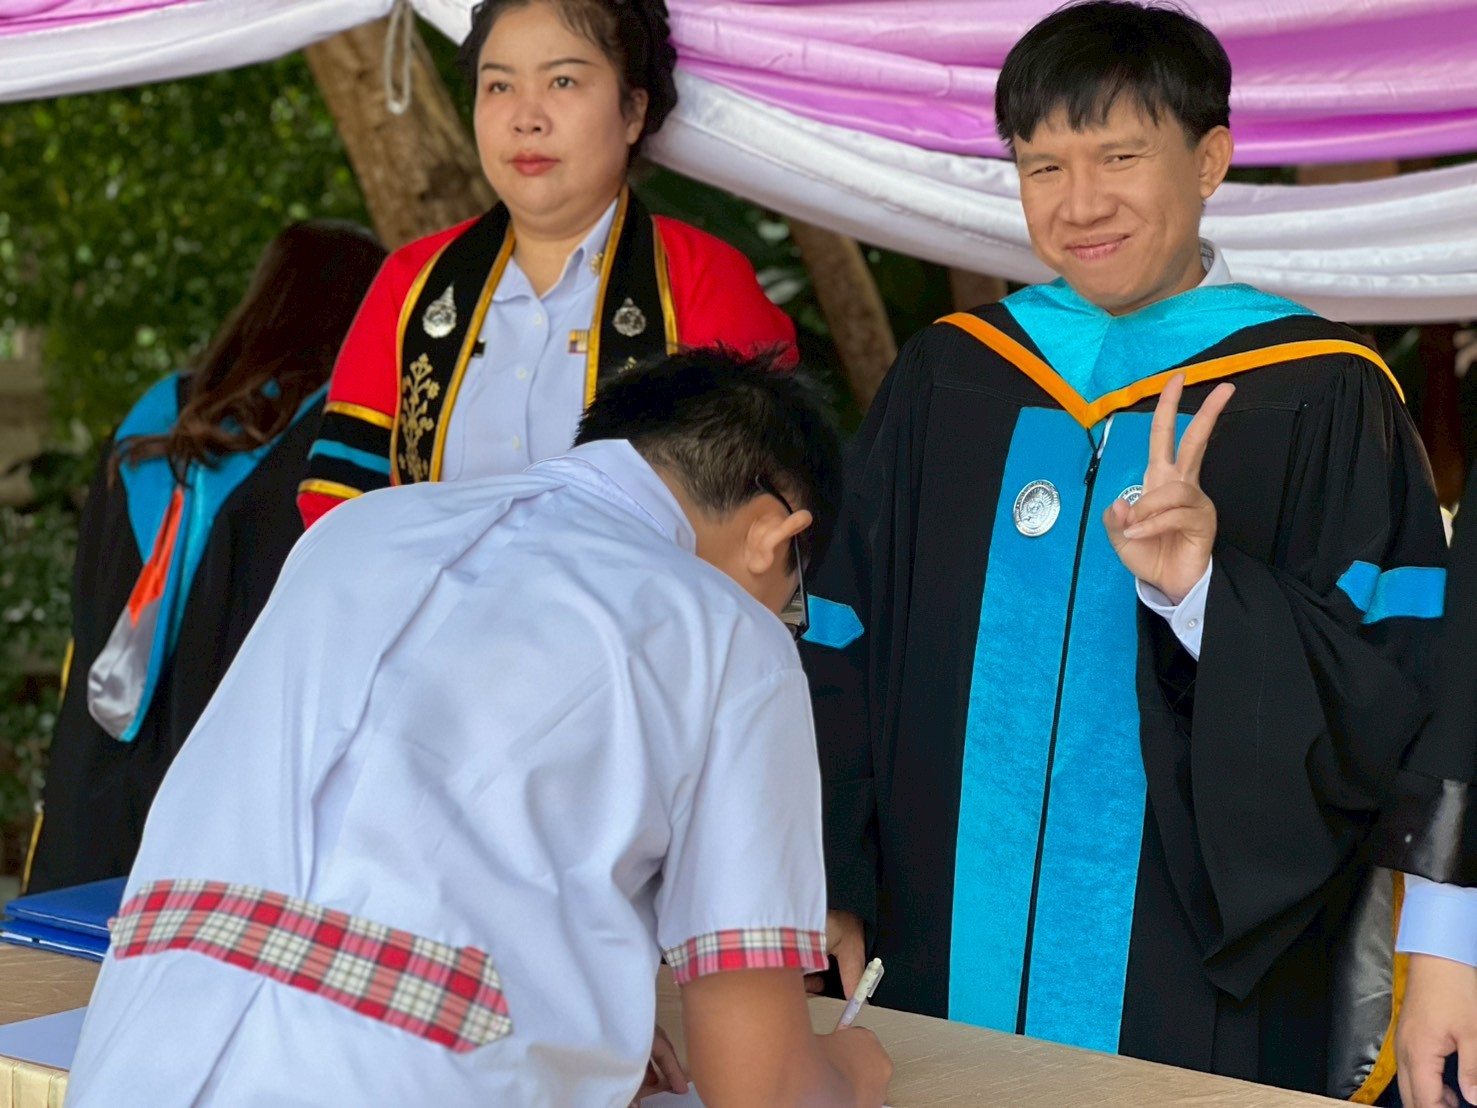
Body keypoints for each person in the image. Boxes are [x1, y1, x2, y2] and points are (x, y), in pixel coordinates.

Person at [802, 1, 1476, 1098]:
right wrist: (833, 868)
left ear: (1208, 159)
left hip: (1189, 972)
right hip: (936, 936)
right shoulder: (950, 377)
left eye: (1119, 157)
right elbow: (843, 633)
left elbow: (1394, 684)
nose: (1080, 204)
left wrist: (1206, 594)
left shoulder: (1322, 392)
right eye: (1043, 166)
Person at [65, 349, 893, 1107]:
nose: (779, 621)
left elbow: (362, 853)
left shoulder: (356, 531)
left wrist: (577, 1020)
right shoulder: (728, 632)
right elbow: (761, 1087)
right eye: (792, 603)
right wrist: (851, 1070)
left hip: (135, 1060)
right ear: (775, 535)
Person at [297, 0, 796, 527]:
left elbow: (757, 520)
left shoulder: (704, 279)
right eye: (499, 86)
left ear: (632, 112)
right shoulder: (411, 283)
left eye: (562, 81)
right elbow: (337, 507)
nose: (526, 119)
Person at [25, 221, 386, 895]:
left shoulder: (156, 421)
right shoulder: (337, 445)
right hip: (234, 801)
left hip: (97, 780)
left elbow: (88, 602)